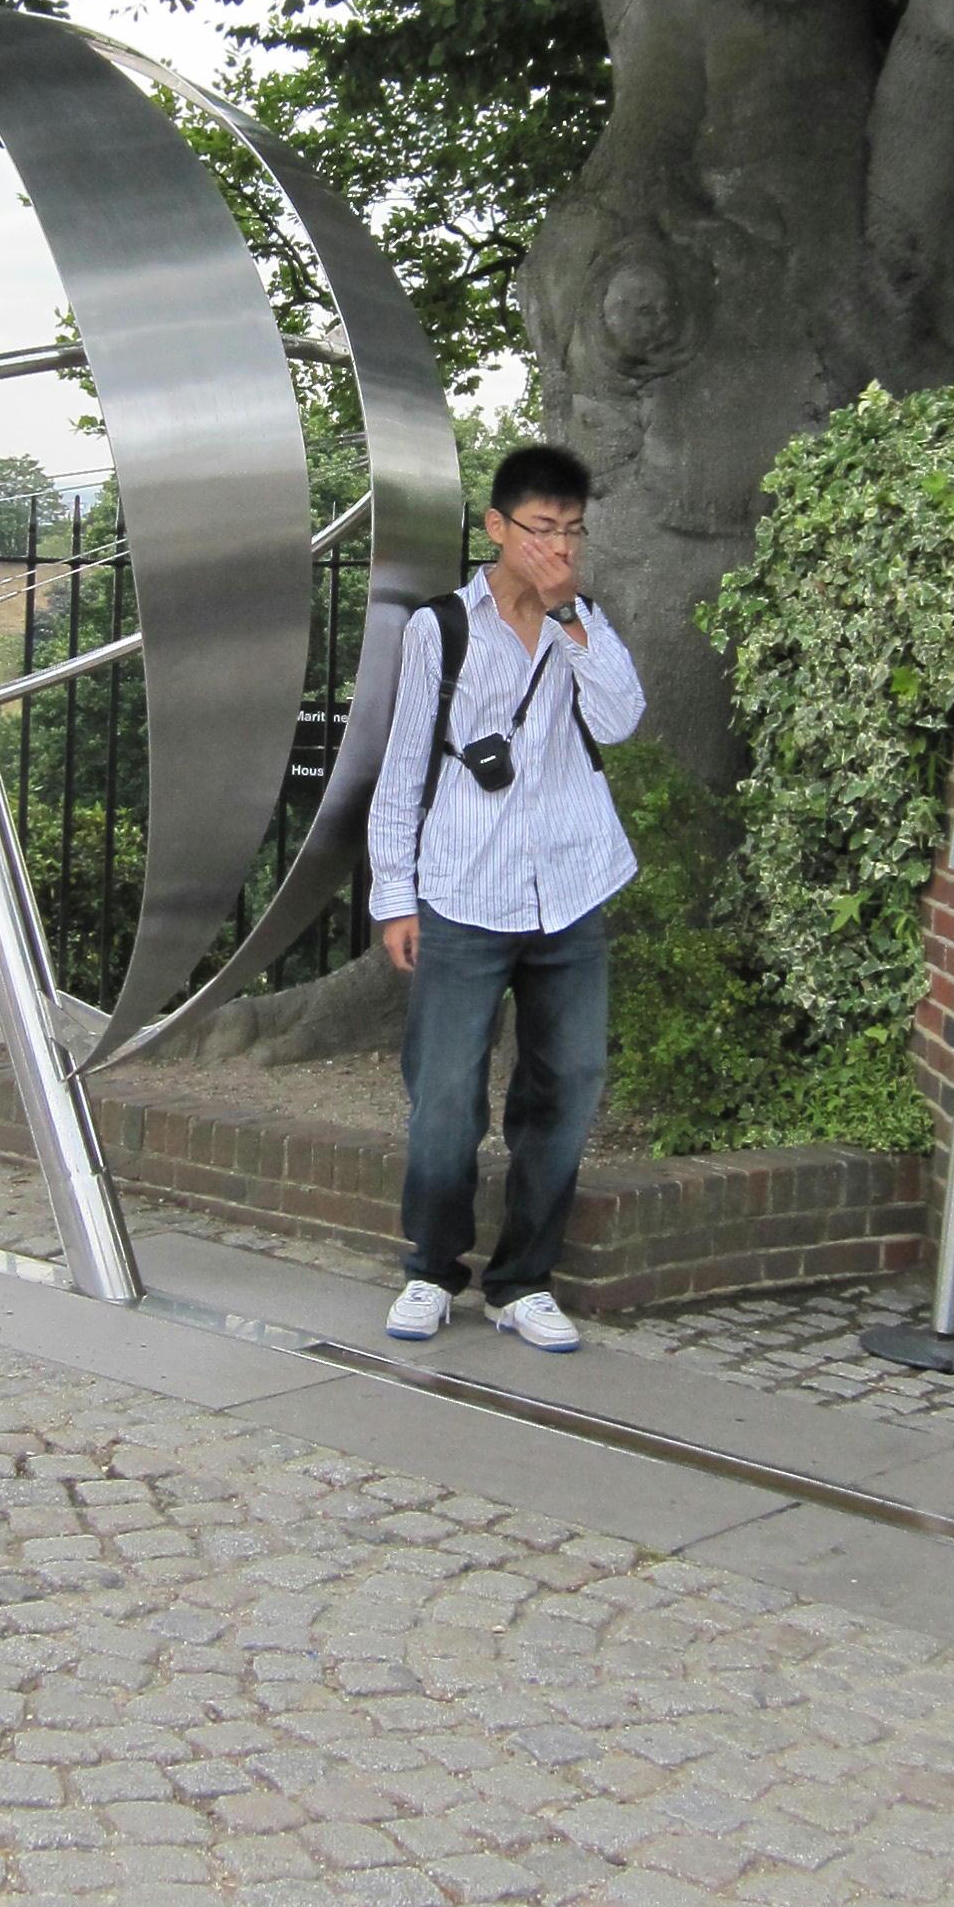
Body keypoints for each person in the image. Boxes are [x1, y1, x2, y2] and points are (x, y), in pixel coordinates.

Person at [369, 443, 645, 1353]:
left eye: (573, 531)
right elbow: (404, 763)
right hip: (463, 886)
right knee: (445, 1095)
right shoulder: (442, 628)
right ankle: (431, 1269)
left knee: (567, 1089)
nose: (559, 547)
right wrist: (394, 896)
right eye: (542, 528)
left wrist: (570, 618)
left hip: (572, 885)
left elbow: (620, 721)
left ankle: (524, 1281)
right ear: (497, 527)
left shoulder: (583, 625)